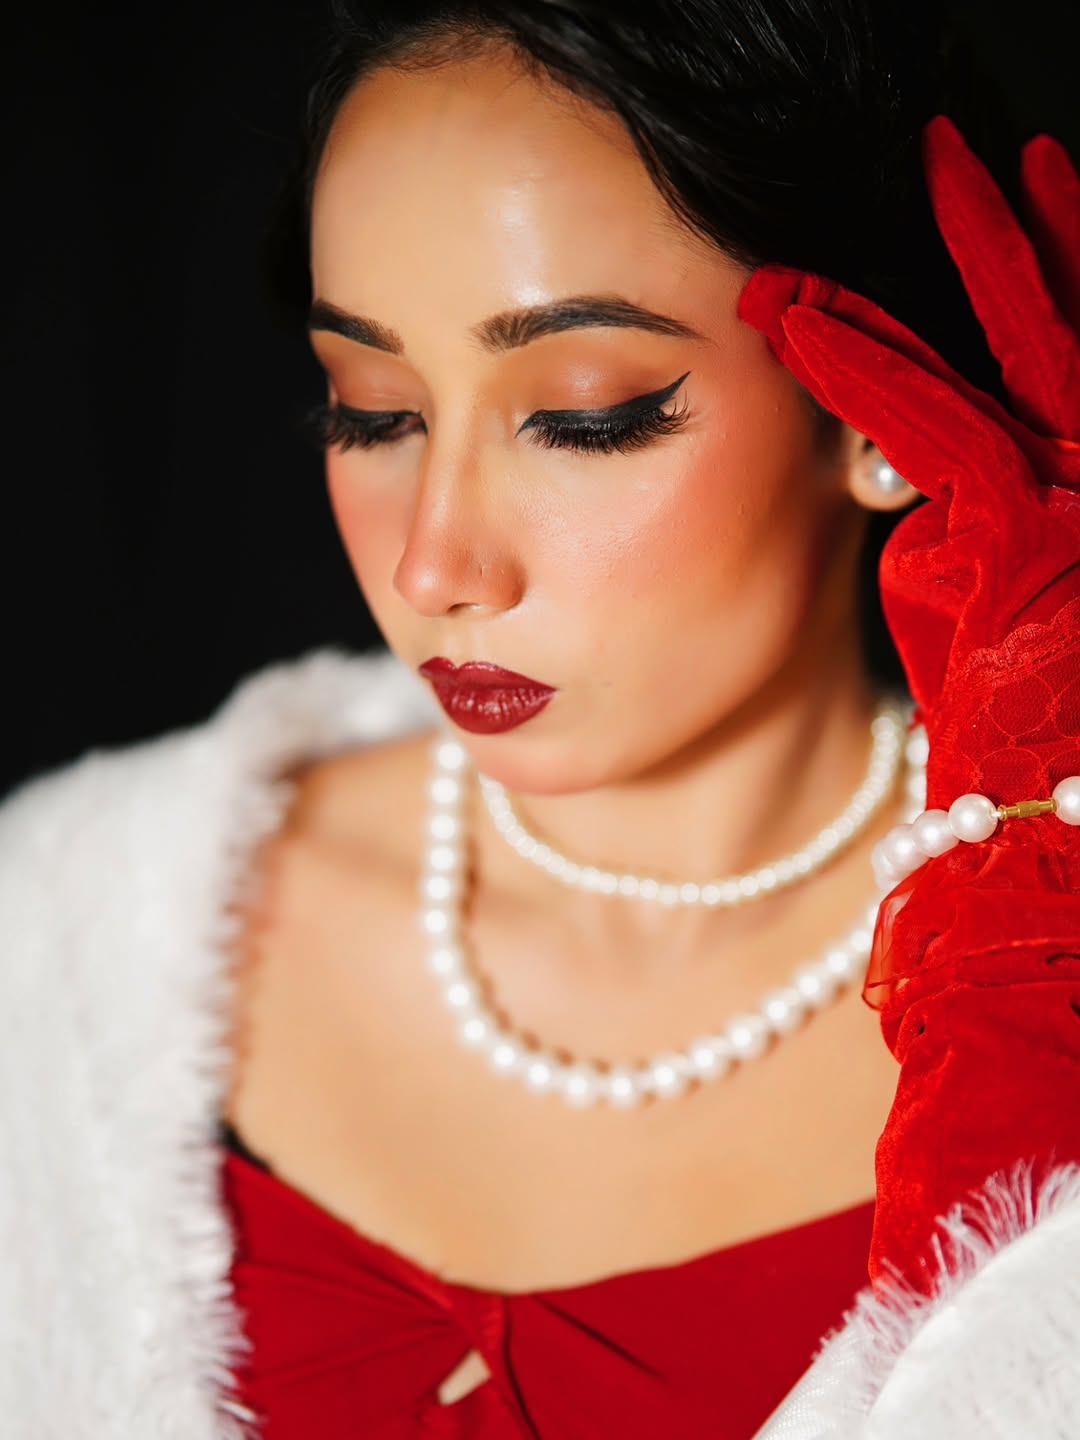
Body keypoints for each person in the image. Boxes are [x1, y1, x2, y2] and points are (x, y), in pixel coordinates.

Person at [2, 2, 1078, 1437]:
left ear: (882, 410)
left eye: (584, 416)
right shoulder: (60, 939)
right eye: (374, 411)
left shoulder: (1038, 981)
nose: (434, 566)